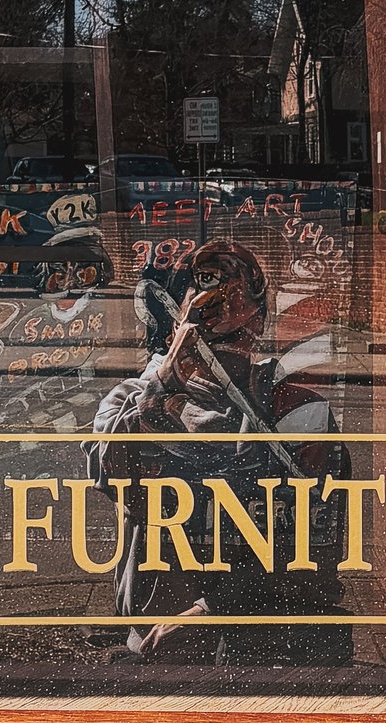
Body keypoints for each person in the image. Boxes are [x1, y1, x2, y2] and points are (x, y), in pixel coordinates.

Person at [84, 239, 345, 661]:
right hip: (153, 639)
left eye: (239, 321)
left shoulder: (298, 412)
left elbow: (311, 545)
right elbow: (110, 470)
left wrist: (215, 609)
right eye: (202, 320)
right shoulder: (128, 400)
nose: (224, 333)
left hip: (261, 642)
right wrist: (163, 384)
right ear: (175, 329)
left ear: (259, 325)